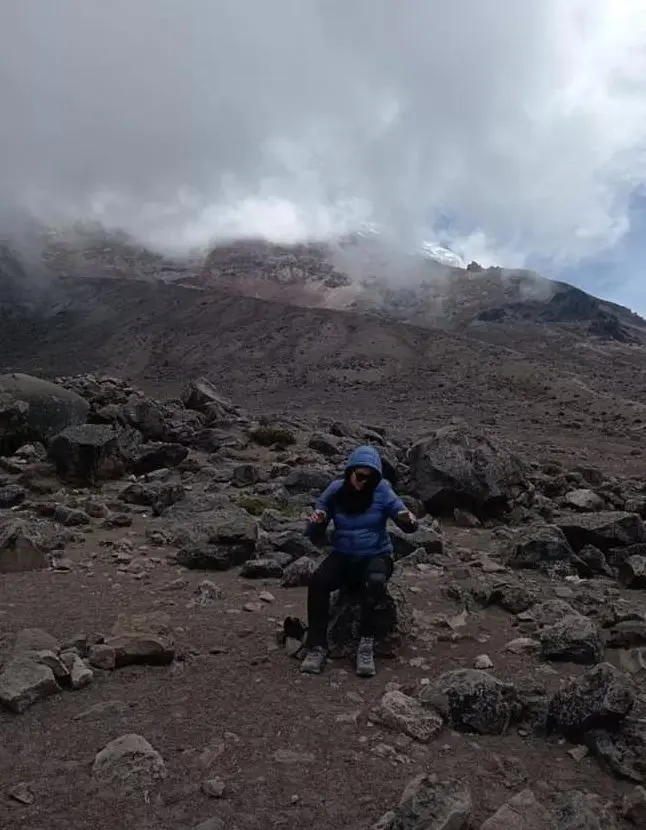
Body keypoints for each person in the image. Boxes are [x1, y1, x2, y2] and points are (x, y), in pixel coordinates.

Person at [301, 445, 419, 677]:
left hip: (376, 554)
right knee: (318, 581)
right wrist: (318, 520)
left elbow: (403, 516)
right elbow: (316, 521)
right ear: (350, 472)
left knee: (375, 580)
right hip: (344, 554)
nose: (364, 482)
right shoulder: (336, 490)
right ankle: (316, 646)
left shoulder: (383, 490)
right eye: (360, 475)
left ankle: (366, 645)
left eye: (371, 477)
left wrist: (408, 519)